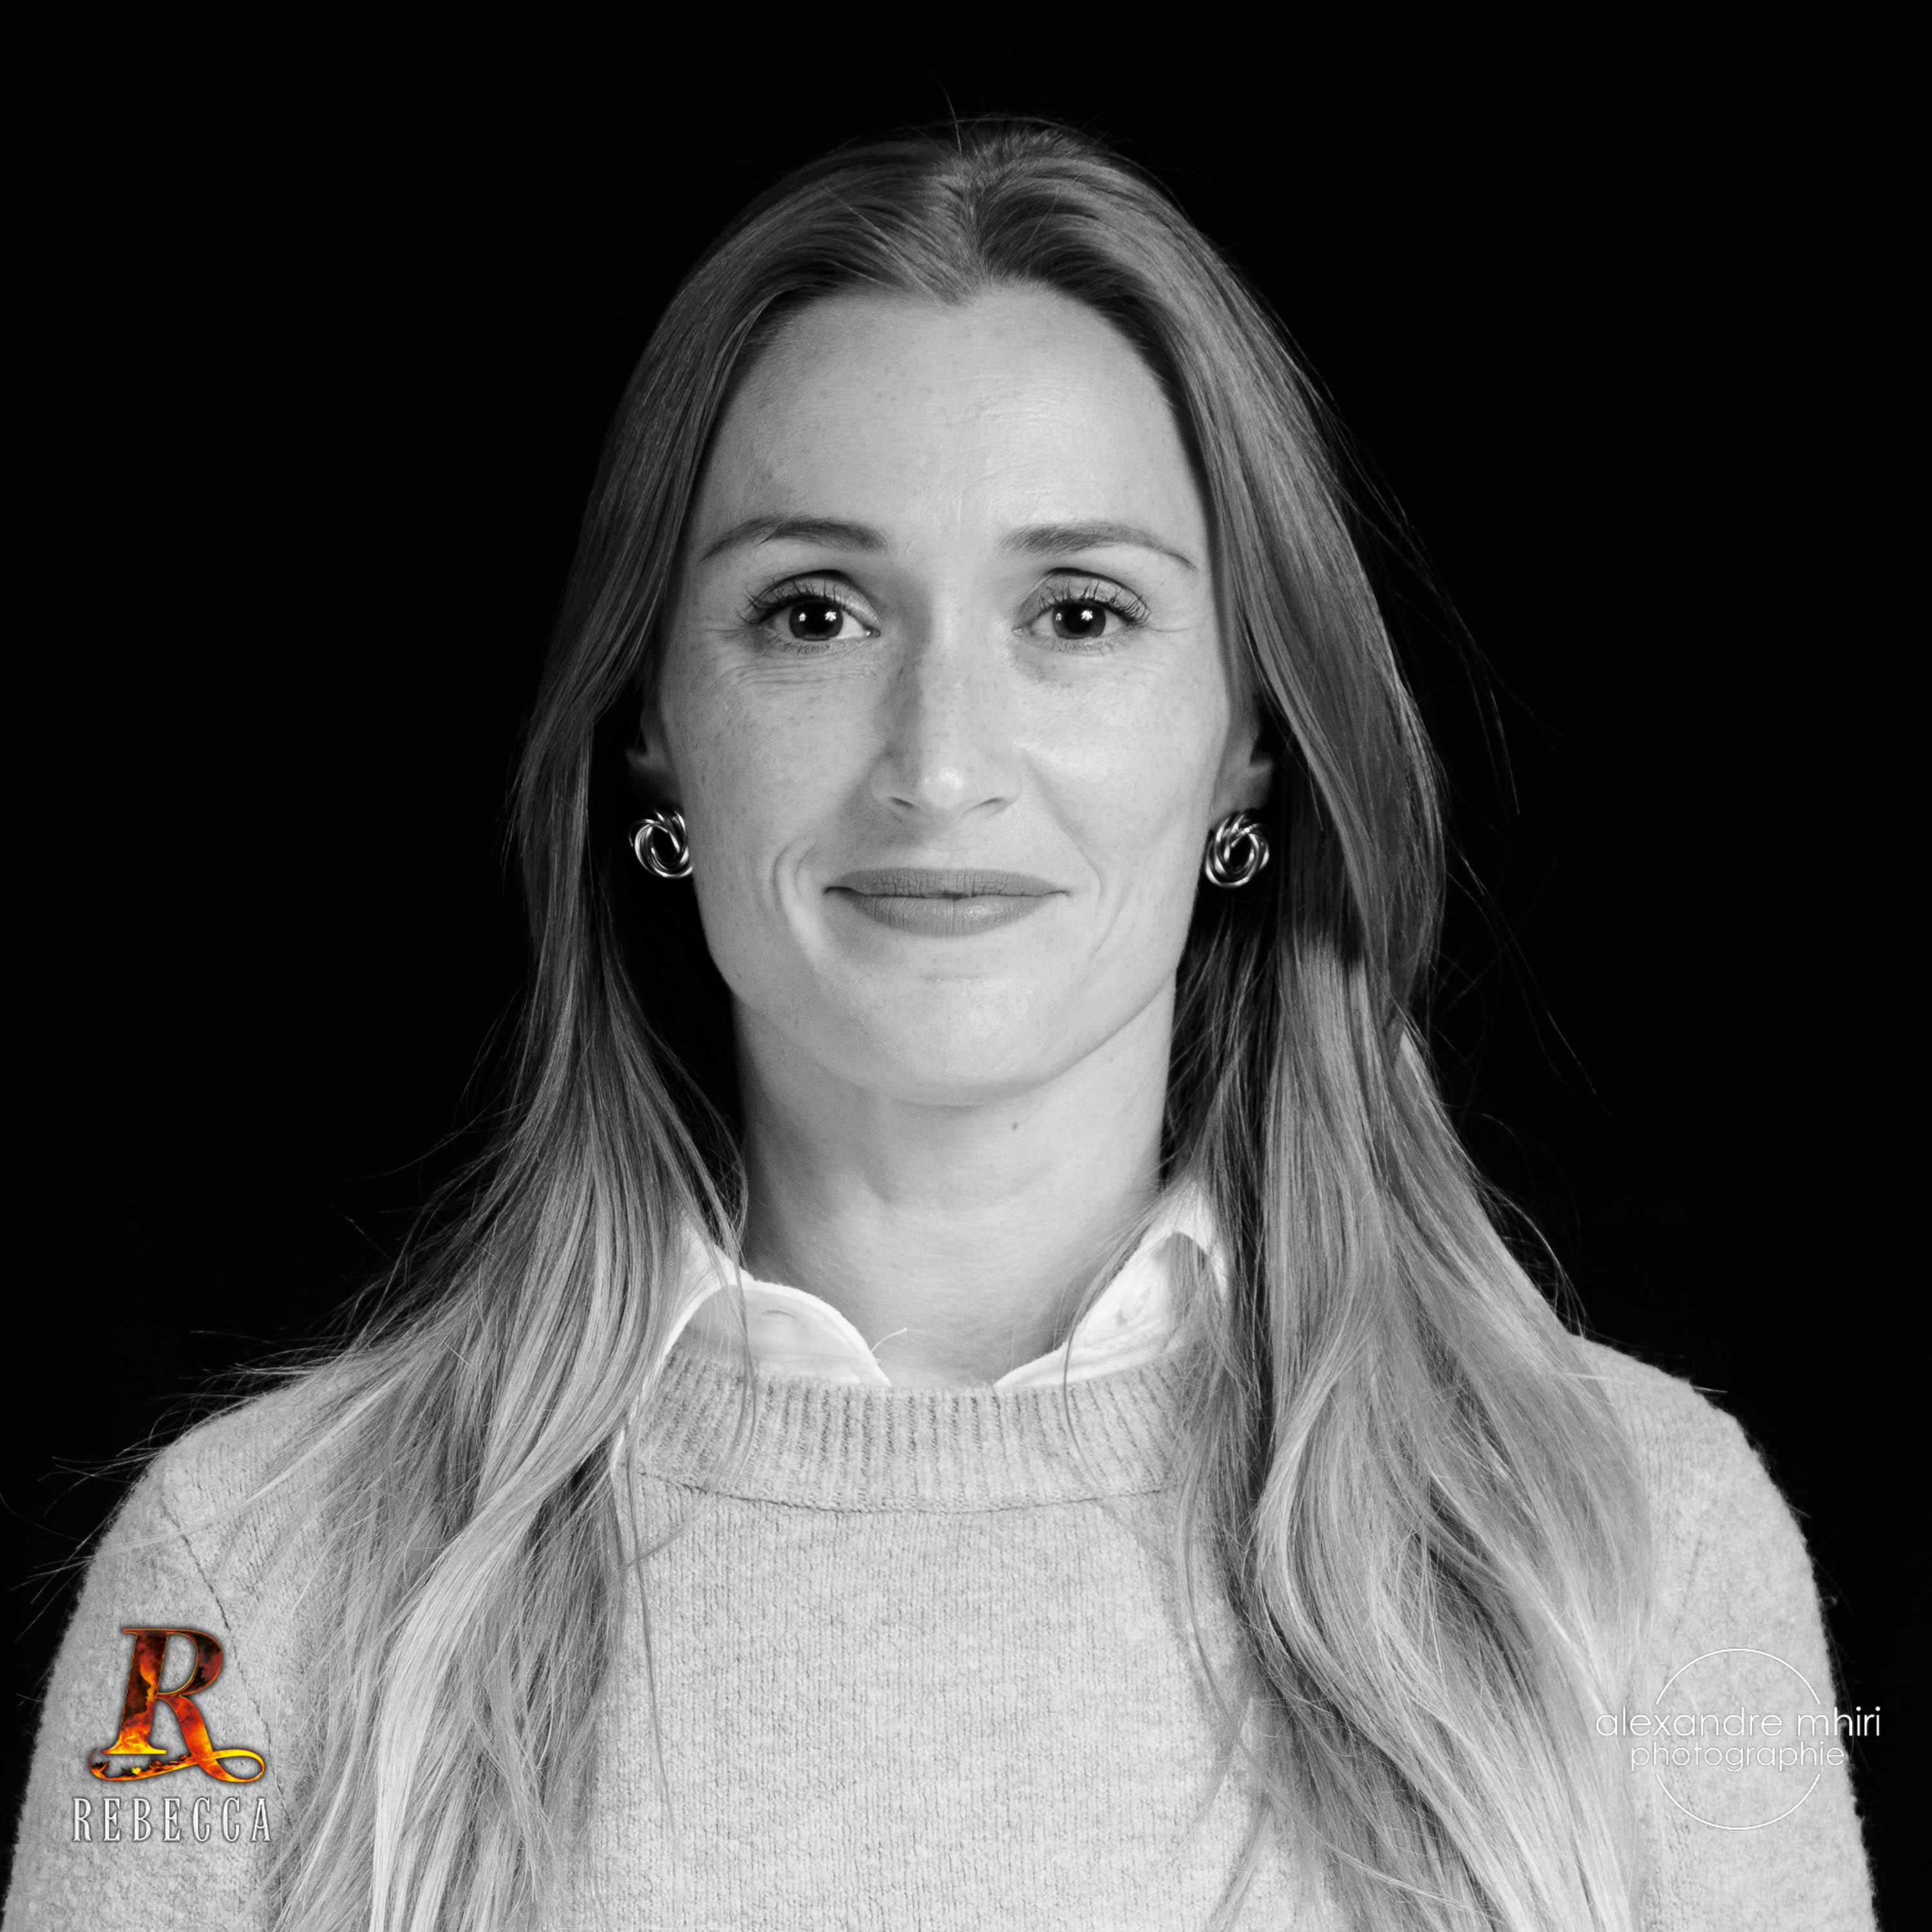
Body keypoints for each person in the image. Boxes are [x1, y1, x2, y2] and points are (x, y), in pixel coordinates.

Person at [4, 120, 1876, 1932]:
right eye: (815, 614)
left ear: (1250, 737)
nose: (942, 763)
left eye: (1080, 612)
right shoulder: (240, 1593)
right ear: (651, 722)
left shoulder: (1637, 1553)